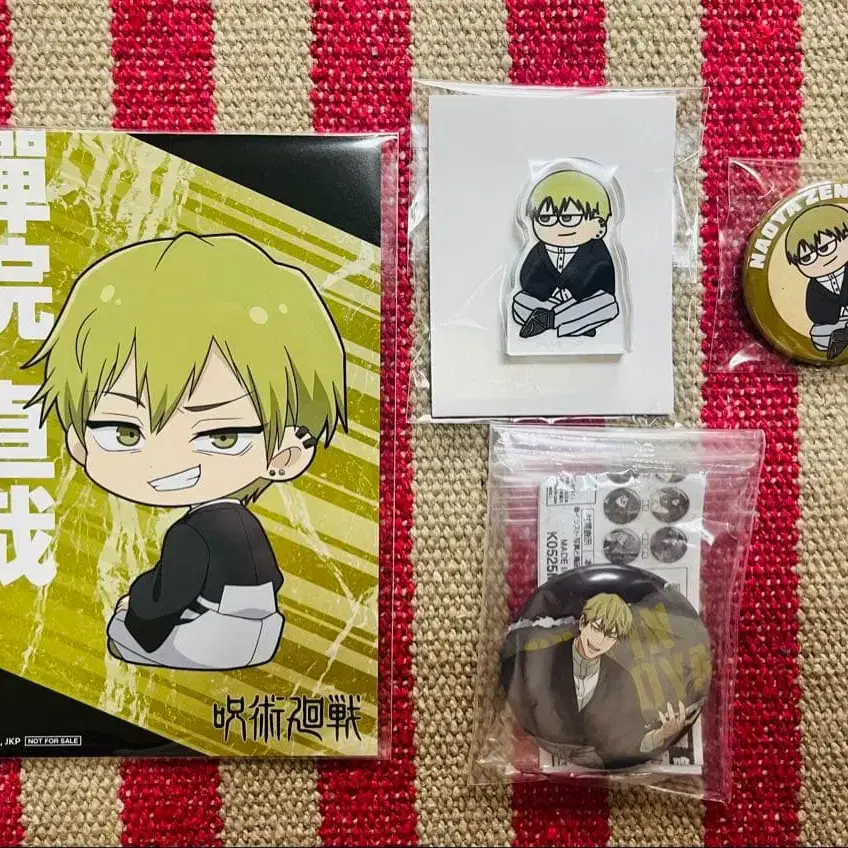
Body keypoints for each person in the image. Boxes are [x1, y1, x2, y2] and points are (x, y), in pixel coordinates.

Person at [24, 232, 346, 671]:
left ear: (285, 454)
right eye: (126, 432)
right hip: (266, 633)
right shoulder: (245, 526)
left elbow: (166, 598)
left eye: (222, 437)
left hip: (212, 640)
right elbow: (272, 579)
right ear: (79, 442)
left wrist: (135, 606)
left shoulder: (192, 533)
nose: (167, 462)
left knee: (121, 630)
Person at [509, 593, 688, 768]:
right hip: (534, 751)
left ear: (616, 641)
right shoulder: (538, 660)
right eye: (596, 629)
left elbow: (628, 741)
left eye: (610, 636)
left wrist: (660, 735)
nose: (600, 641)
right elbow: (517, 696)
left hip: (593, 767)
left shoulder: (622, 679)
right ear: (583, 623)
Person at [512, 169, 619, 340]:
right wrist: (551, 292)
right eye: (545, 219)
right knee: (520, 301)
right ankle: (575, 323)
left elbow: (603, 278)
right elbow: (528, 279)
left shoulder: (595, 250)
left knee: (608, 304)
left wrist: (574, 293)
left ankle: (550, 320)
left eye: (568, 218)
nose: (557, 226)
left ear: (599, 226)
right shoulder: (539, 250)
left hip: (581, 301)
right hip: (549, 301)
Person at [785, 204, 848, 358]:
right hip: (834, 323)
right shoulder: (815, 286)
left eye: (825, 248)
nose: (821, 259)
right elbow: (815, 311)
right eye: (807, 258)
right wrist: (834, 315)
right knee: (819, 334)